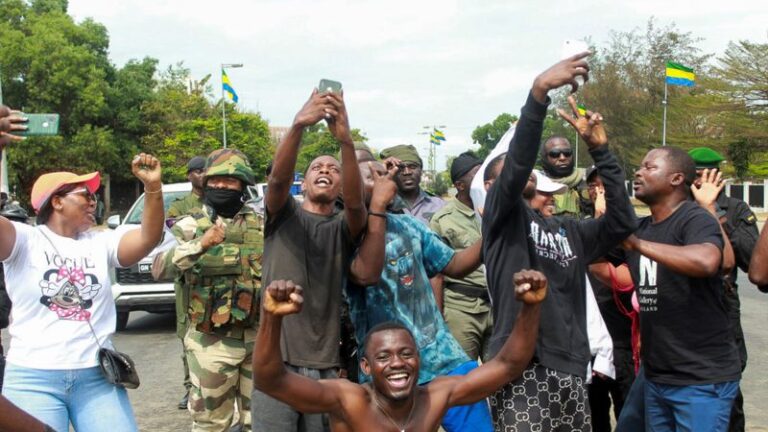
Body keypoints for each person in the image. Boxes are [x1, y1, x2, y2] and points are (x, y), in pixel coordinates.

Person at [482, 53, 637, 431]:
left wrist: (601, 149)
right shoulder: (504, 221)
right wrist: (539, 93)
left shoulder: (568, 230)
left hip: (570, 366)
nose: (523, 176)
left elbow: (622, 222)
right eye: (511, 177)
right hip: (520, 364)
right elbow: (517, 165)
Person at [253, 268, 546, 432]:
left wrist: (531, 307)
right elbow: (271, 380)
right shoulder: (349, 400)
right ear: (366, 368)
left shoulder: (436, 396)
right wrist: (272, 318)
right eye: (383, 357)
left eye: (406, 354)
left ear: (418, 360)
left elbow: (509, 364)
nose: (397, 363)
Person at [0, 153, 164, 432]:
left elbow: (148, 237)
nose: (93, 203)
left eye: (95, 198)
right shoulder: (24, 240)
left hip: (97, 380)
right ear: (57, 201)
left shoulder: (101, 242)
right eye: (85, 196)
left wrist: (153, 188)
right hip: (32, 379)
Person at [347, 159, 493, 431]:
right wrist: (377, 206)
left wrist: (491, 233)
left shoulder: (408, 225)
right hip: (387, 371)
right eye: (372, 177)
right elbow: (365, 274)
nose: (384, 180)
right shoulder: (343, 235)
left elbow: (453, 265)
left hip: (442, 358)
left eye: (384, 175)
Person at [251, 88, 366, 431]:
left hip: (325, 365)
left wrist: (345, 141)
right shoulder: (284, 215)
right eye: (317, 166)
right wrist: (299, 125)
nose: (325, 170)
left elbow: (359, 205)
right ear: (304, 182)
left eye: (333, 169)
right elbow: (277, 180)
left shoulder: (345, 225)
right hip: (276, 363)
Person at [619, 146, 741, 431]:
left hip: (700, 380)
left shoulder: (694, 219)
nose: (638, 171)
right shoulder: (641, 227)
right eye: (640, 166)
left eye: (649, 167)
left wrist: (637, 245)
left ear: (676, 179)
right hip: (658, 377)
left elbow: (708, 261)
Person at [152, 149, 262, 432]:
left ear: (243, 185)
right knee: (211, 424)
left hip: (261, 341)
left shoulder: (263, 224)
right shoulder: (188, 225)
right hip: (211, 343)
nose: (222, 186)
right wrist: (200, 244)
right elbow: (159, 268)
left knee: (261, 422)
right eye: (216, 181)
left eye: (230, 181)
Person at [582, 167, 637, 432]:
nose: (598, 191)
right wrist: (596, 219)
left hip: (622, 336)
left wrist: (603, 218)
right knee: (594, 412)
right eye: (593, 186)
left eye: (604, 185)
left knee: (627, 408)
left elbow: (627, 270)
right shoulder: (580, 225)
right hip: (591, 338)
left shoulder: (632, 227)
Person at [429, 152, 492, 362]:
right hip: (462, 308)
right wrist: (438, 323)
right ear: (460, 185)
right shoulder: (442, 220)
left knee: (503, 377)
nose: (483, 178)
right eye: (477, 174)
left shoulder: (499, 210)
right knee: (462, 378)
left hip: (498, 306)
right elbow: (436, 274)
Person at [164, 155, 207, 410]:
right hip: (187, 279)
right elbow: (179, 231)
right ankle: (189, 388)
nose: (202, 175)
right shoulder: (179, 205)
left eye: (206, 171)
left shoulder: (220, 202)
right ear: (189, 175)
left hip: (213, 275)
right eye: (198, 171)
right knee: (186, 333)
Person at [379, 144, 445, 224]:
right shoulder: (381, 204)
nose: (407, 172)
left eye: (413, 166)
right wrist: (381, 171)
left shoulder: (440, 205)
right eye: (400, 168)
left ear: (421, 170)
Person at [540, 135, 587, 217]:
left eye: (567, 153)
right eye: (555, 154)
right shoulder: (537, 184)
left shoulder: (588, 179)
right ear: (545, 157)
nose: (562, 158)